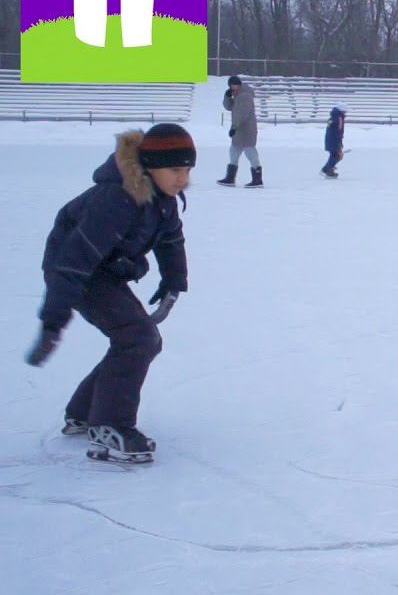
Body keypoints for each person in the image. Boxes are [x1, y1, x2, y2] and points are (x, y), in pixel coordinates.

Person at [25, 124, 195, 464]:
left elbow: (171, 240)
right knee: (138, 337)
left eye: (188, 170)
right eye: (175, 169)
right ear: (149, 166)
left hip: (106, 269)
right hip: (74, 269)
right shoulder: (117, 199)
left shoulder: (163, 201)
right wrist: (53, 322)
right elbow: (74, 261)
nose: (182, 178)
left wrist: (173, 281)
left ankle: (85, 411)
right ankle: (109, 425)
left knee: (140, 339)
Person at [218, 75, 264, 188]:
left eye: (234, 85)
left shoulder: (245, 96)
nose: (232, 87)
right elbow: (229, 107)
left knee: (250, 152)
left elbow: (243, 114)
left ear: (238, 84)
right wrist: (227, 97)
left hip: (247, 129)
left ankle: (257, 179)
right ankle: (230, 178)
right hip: (239, 129)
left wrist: (234, 127)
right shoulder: (237, 95)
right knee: (233, 151)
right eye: (231, 85)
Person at [322, 104, 346, 179]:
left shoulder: (333, 117)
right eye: (345, 111)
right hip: (334, 140)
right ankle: (328, 169)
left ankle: (327, 168)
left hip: (330, 139)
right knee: (337, 155)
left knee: (335, 155)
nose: (346, 113)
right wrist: (339, 142)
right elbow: (338, 131)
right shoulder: (338, 118)